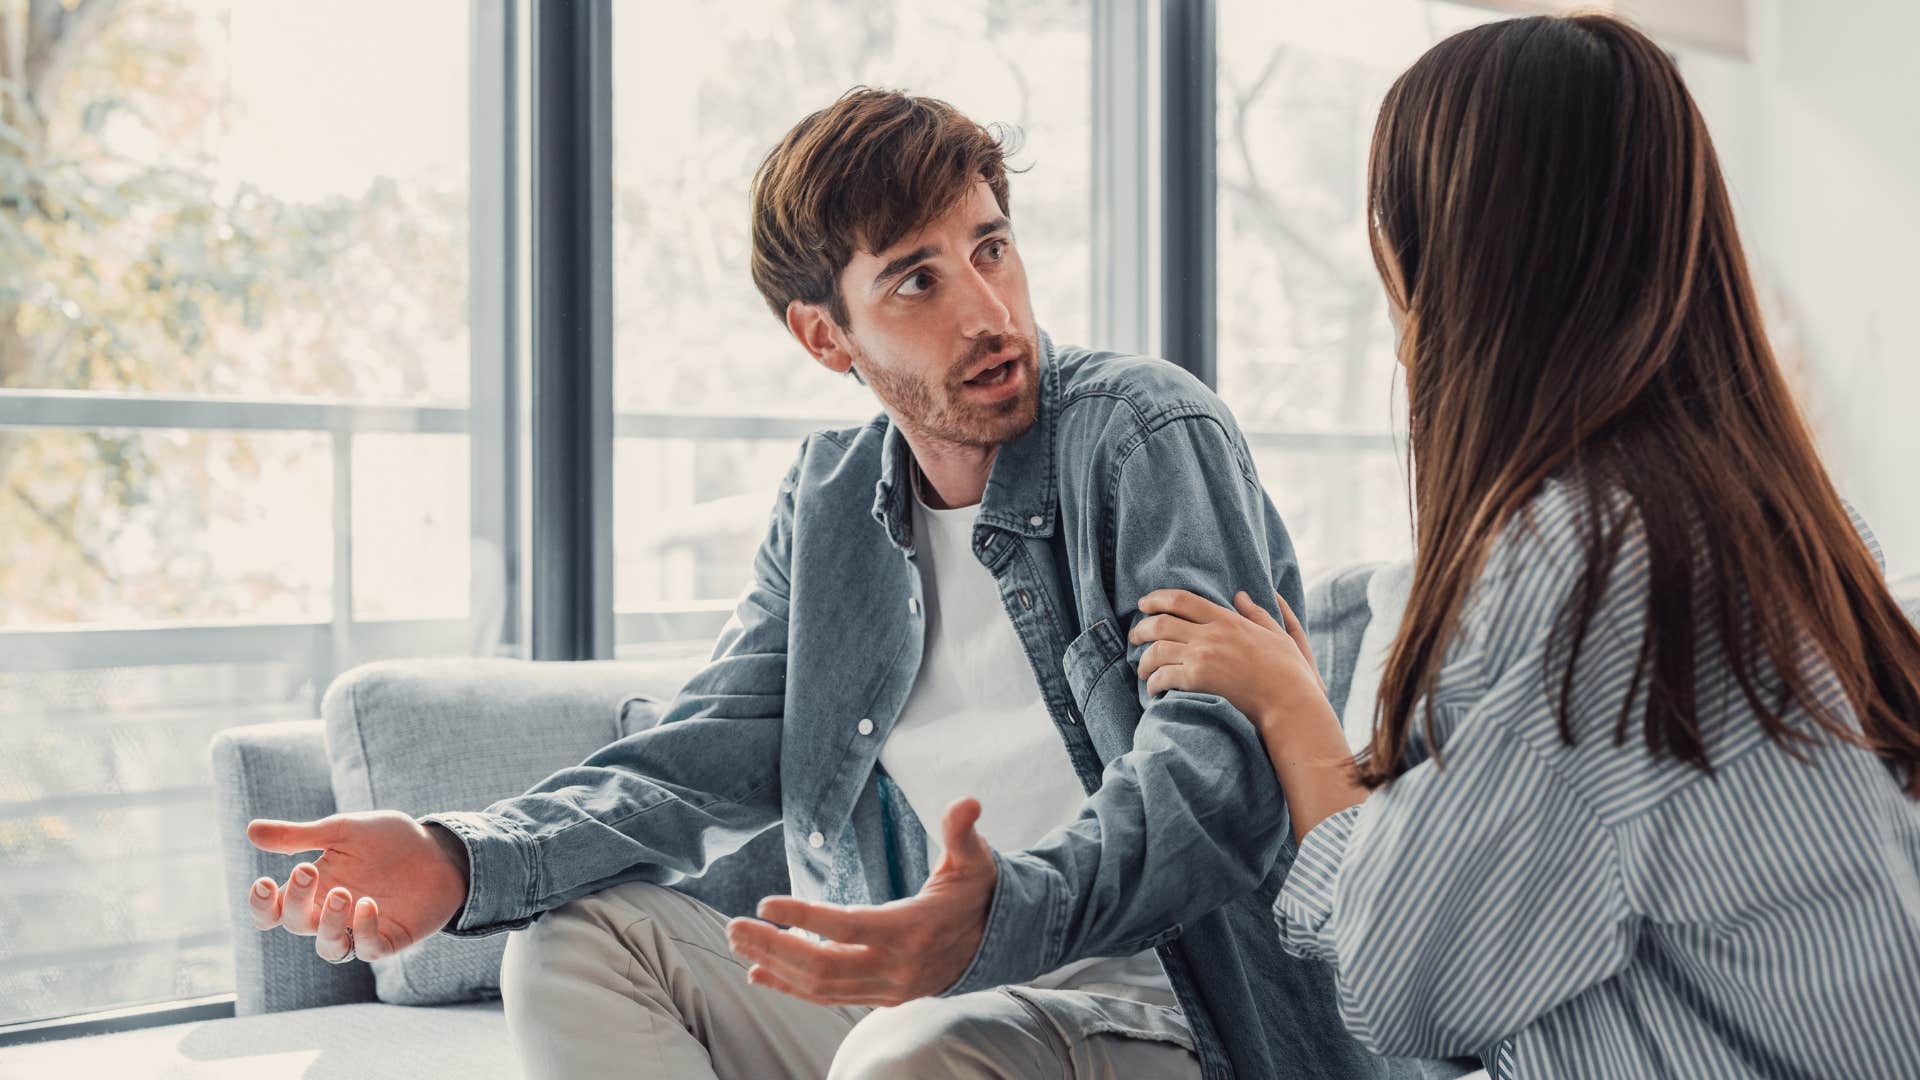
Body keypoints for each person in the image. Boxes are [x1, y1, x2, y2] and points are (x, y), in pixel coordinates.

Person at [241, 88, 1424, 1079]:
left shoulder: (1142, 435)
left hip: (1175, 1008)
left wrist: (991, 922)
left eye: (991, 247)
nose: (989, 311)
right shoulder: (829, 506)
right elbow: (706, 749)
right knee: (571, 951)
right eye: (917, 281)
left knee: (910, 1057)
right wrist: (462, 857)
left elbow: (1216, 776)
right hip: (936, 989)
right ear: (825, 336)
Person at [1131, 15, 1920, 1079]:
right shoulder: (1795, 528)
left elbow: (1408, 988)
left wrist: (1289, 710)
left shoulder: (1599, 572)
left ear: (1448, 260)